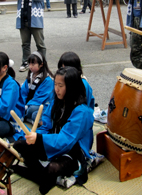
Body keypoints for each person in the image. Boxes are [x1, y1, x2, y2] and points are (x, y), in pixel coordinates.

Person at [13, 66, 94, 194]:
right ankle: (41, 175)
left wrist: (39, 139)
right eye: (55, 84)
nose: (56, 89)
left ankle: (36, 174)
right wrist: (34, 136)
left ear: (71, 86)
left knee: (51, 170)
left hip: (72, 151)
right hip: (53, 142)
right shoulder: (56, 102)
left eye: (61, 86)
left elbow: (66, 140)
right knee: (19, 144)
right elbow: (45, 126)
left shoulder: (82, 111)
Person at [7, 0, 47, 72]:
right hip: (23, 18)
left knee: (40, 44)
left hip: (35, 19)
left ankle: (42, 63)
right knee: (25, 44)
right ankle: (25, 62)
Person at [21, 51, 54, 124]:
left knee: (33, 111)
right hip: (30, 104)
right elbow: (23, 93)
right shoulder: (30, 76)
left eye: (33, 64)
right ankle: (28, 117)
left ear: (41, 64)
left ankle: (27, 116)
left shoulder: (47, 80)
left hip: (42, 105)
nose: (30, 66)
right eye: (29, 64)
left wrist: (26, 106)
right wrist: (22, 104)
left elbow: (41, 98)